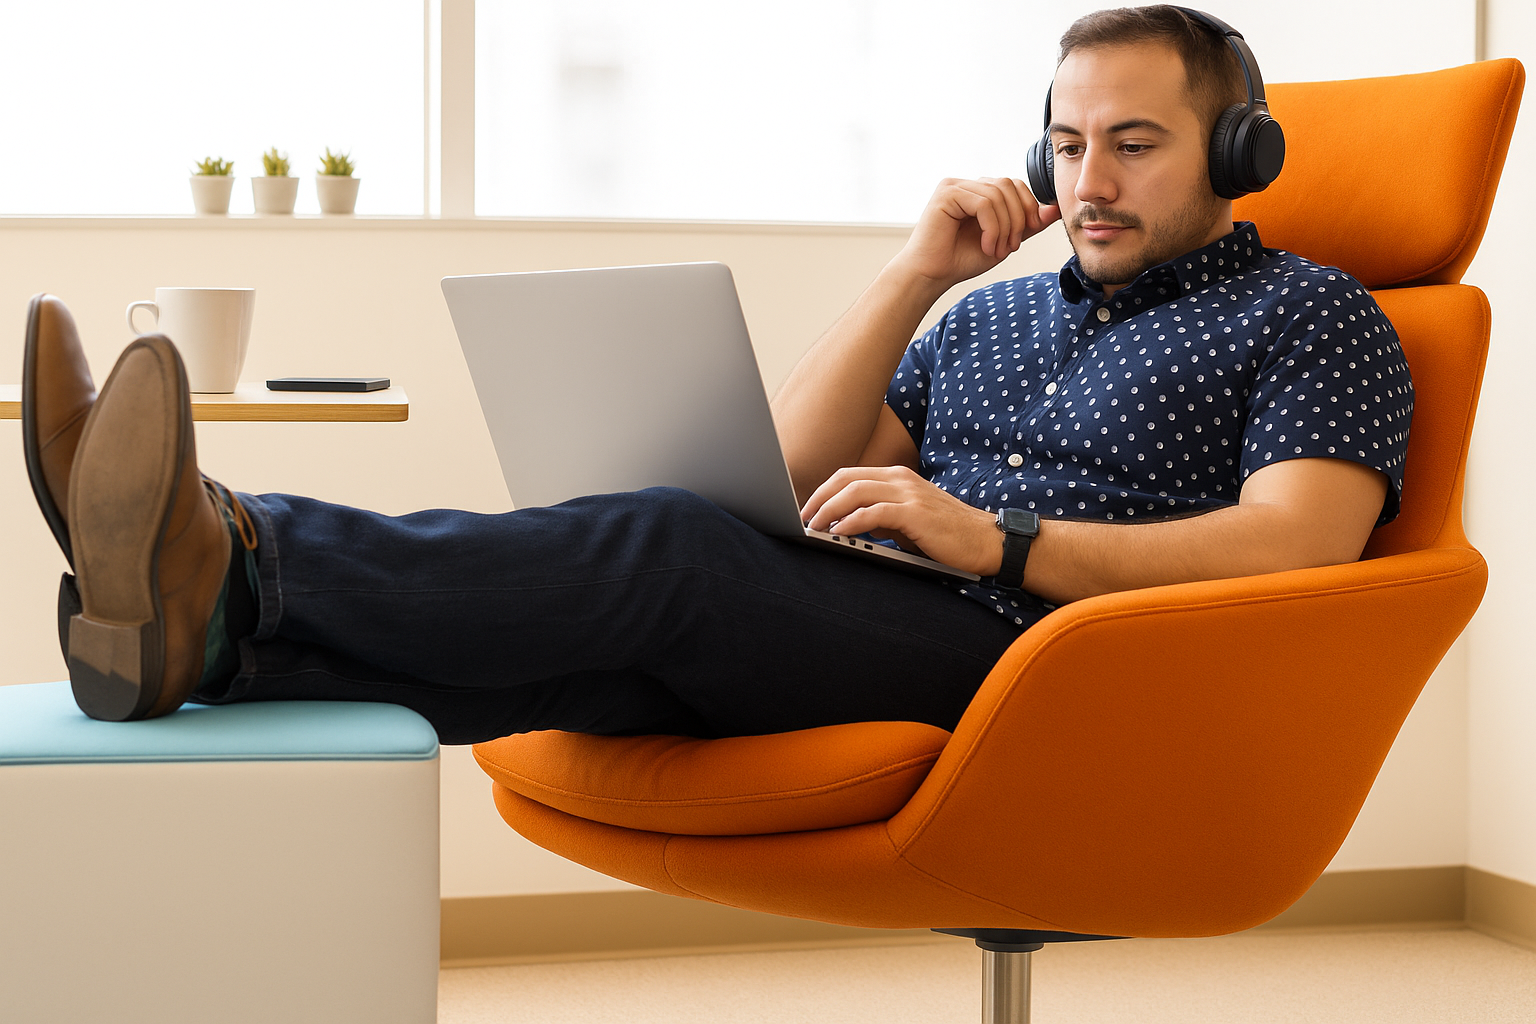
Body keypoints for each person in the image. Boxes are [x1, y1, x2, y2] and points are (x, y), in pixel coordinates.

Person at [22, 5, 1409, 739]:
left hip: (1057, 661)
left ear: (1240, 156)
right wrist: (914, 272)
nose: (1086, 179)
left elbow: (1303, 545)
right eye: (1064, 140)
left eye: (1135, 144)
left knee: (673, 552)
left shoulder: (1314, 314)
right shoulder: (988, 319)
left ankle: (239, 548)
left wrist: (999, 537)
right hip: (899, 615)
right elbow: (790, 471)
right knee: (598, 664)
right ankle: (193, 650)